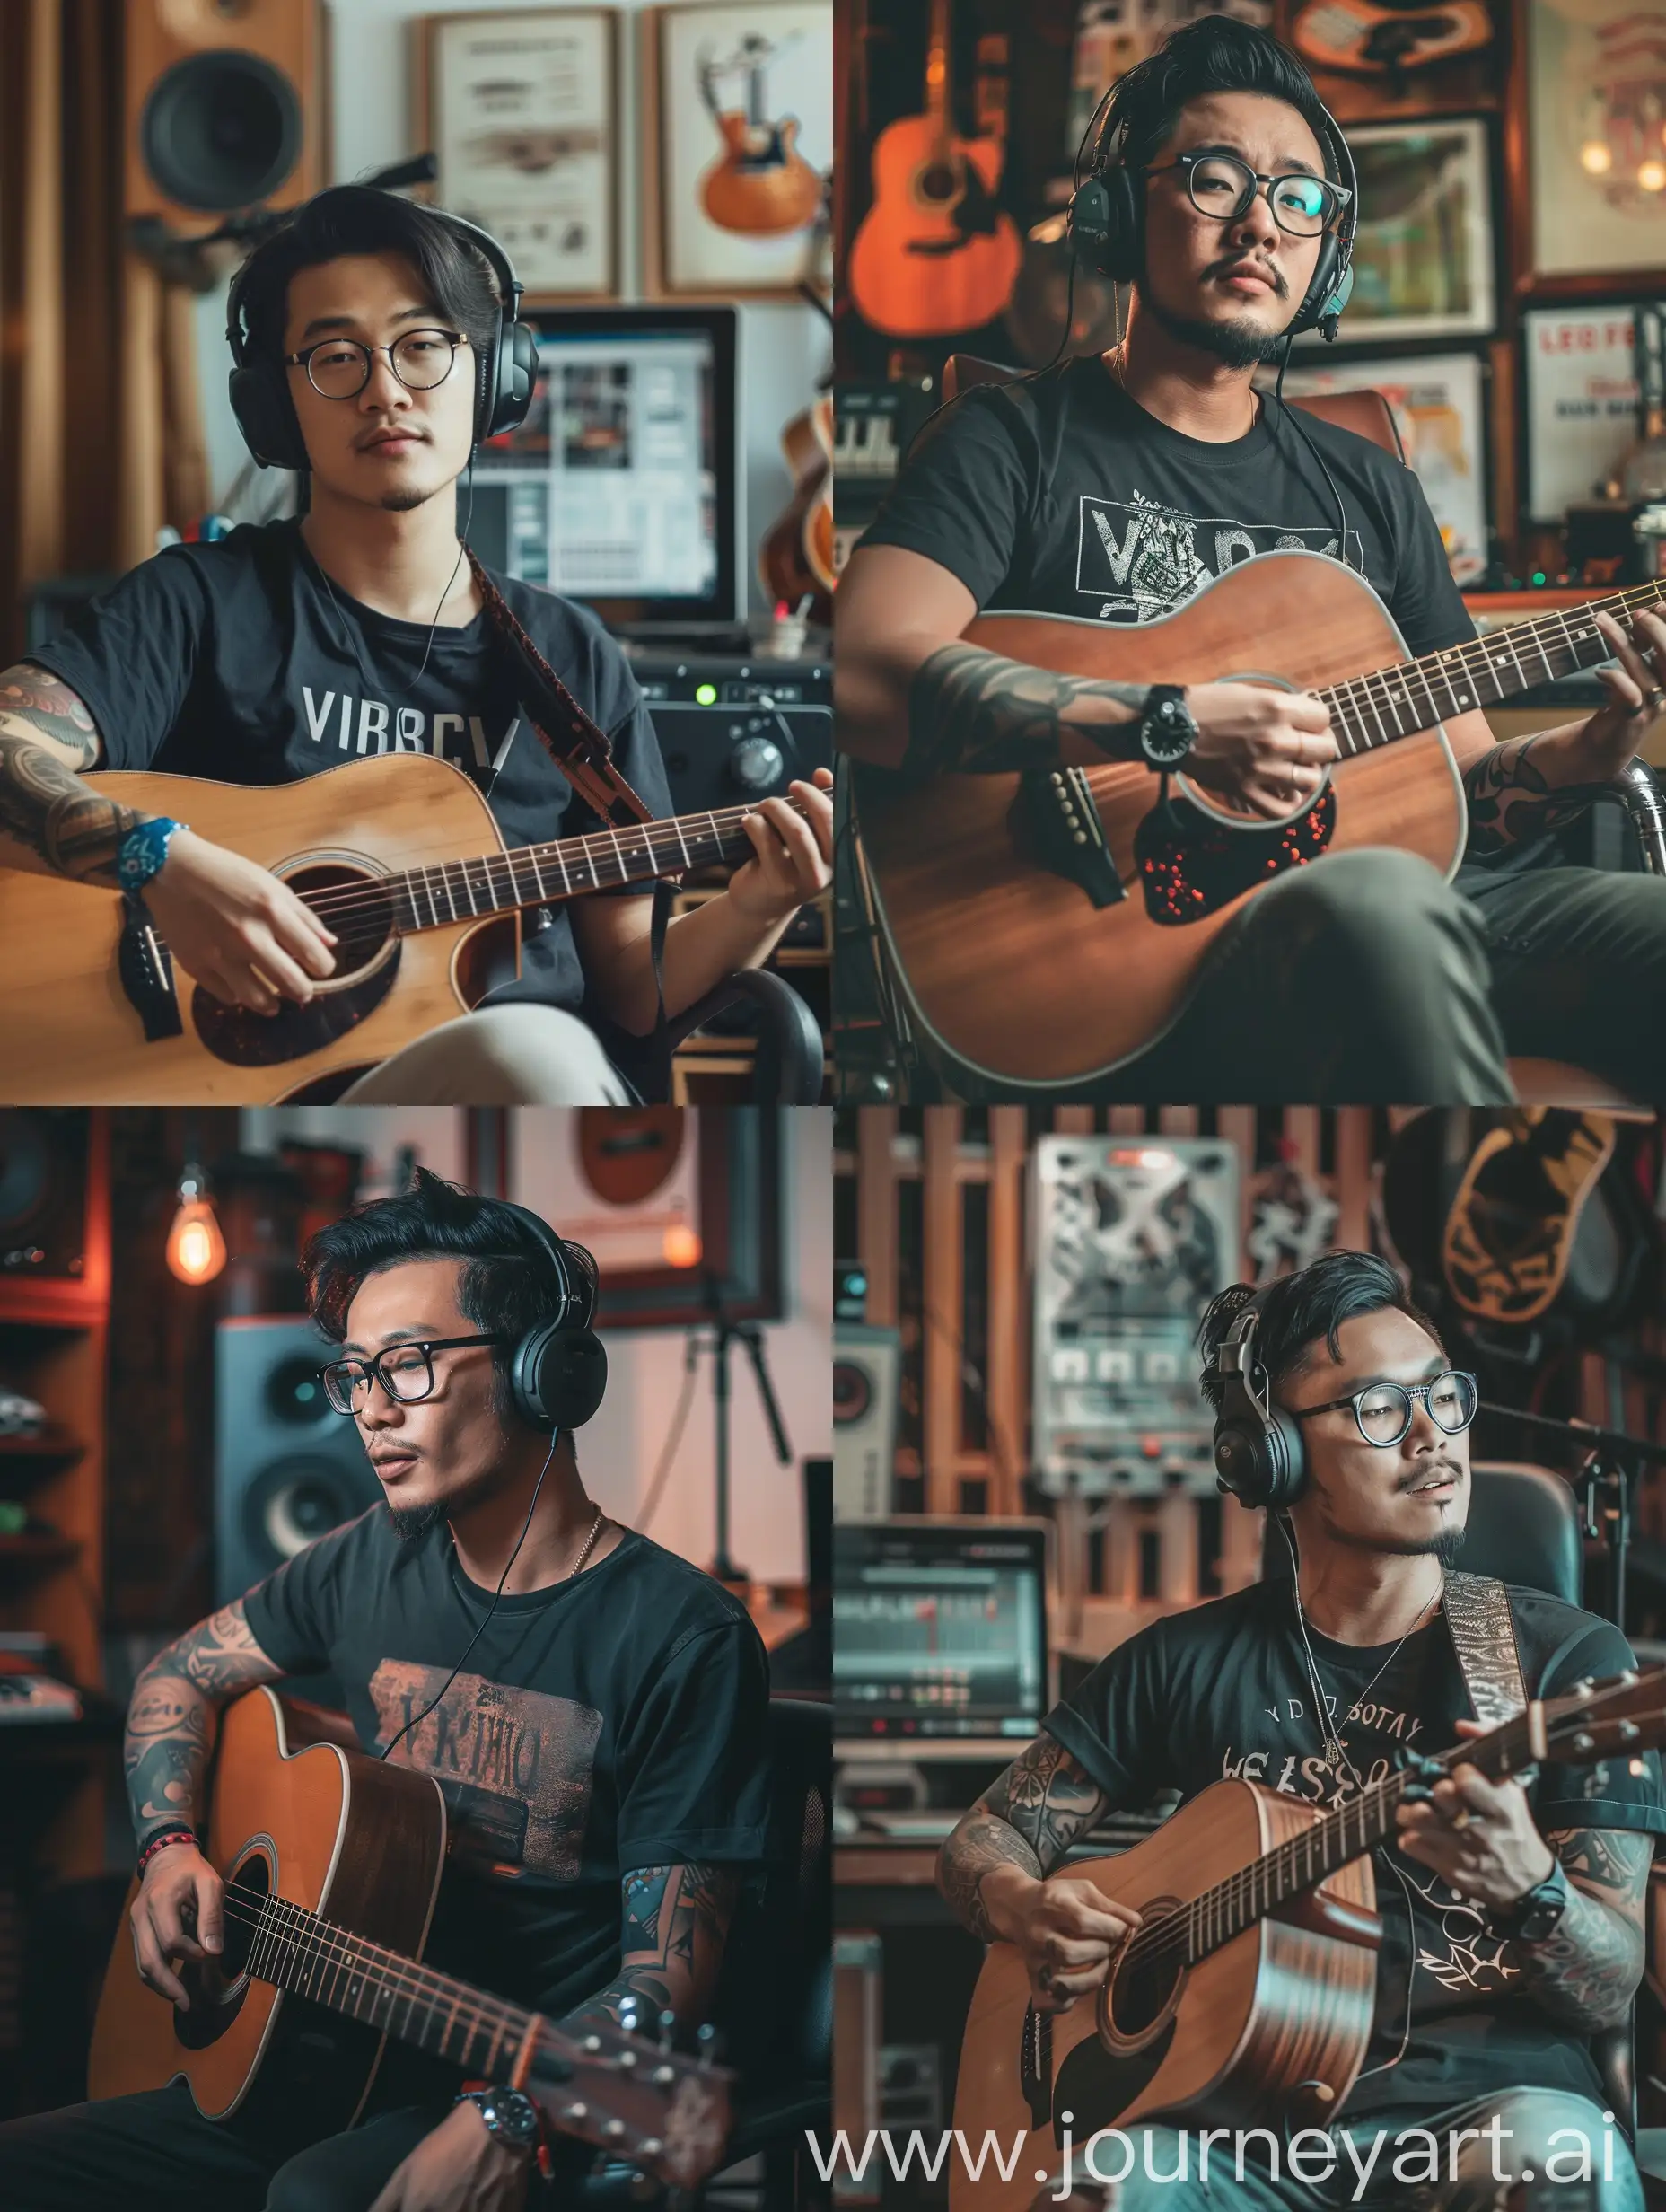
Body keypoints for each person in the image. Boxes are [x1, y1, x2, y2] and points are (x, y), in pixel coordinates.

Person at [836, 17, 1666, 1104]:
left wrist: (1581, 755)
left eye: (1296, 198)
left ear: (1326, 257)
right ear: (1119, 213)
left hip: (1397, 919)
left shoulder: (1365, 483)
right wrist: (1168, 723)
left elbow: (1460, 786)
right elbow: (859, 675)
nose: (1257, 226)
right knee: (1383, 904)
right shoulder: (1009, 439)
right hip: (1140, 951)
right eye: (1215, 179)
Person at [0, 1171, 776, 2210]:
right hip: (300, 2050)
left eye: (405, 1366)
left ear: (541, 1370)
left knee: (315, 2196)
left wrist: (512, 2110)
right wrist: (167, 1848)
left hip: (508, 2088)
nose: (367, 1410)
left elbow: (663, 1985)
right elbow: (174, 1675)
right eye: (354, 1374)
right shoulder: (362, 1561)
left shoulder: (684, 1636)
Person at [0, 185, 832, 1104]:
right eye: (334, 355)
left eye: (423, 344)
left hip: (491, 1095)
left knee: (535, 1055)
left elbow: (635, 996)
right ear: (276, 403)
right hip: (249, 1107)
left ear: (492, 375)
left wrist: (762, 899)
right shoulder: (195, 603)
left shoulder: (570, 660)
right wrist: (160, 861)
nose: (384, 389)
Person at [936, 1250, 1663, 2211]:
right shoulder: (1182, 1661)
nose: (1429, 1437)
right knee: (1100, 2191)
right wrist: (1023, 1906)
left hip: (1480, 2117)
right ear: (1268, 1451)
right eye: (1375, 1408)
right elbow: (977, 1842)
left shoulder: (1561, 1663)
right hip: (1229, 2131)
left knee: (1558, 2160)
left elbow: (1611, 1988)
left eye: (1442, 1398)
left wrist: (1530, 1889)